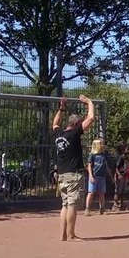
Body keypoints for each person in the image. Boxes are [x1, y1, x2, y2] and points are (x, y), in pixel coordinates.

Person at [52, 95, 95, 241]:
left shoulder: (59, 134)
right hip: (73, 174)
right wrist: (89, 103)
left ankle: (63, 234)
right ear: (77, 124)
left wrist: (61, 107)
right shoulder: (75, 133)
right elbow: (91, 119)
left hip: (62, 174)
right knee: (72, 204)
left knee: (64, 204)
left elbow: (55, 123)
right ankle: (71, 235)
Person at [85, 139, 110, 215]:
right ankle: (87, 209)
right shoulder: (92, 154)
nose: (103, 145)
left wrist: (110, 175)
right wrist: (91, 176)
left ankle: (102, 209)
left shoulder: (103, 155)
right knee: (91, 192)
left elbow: (106, 166)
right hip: (94, 177)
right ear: (97, 145)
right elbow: (89, 166)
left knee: (101, 193)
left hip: (102, 176)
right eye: (101, 144)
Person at [112, 144, 129, 212]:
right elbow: (116, 167)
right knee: (118, 191)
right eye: (127, 149)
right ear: (122, 150)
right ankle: (115, 205)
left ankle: (122, 205)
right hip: (121, 176)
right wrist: (119, 175)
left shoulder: (127, 158)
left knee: (123, 191)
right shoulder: (121, 158)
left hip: (125, 176)